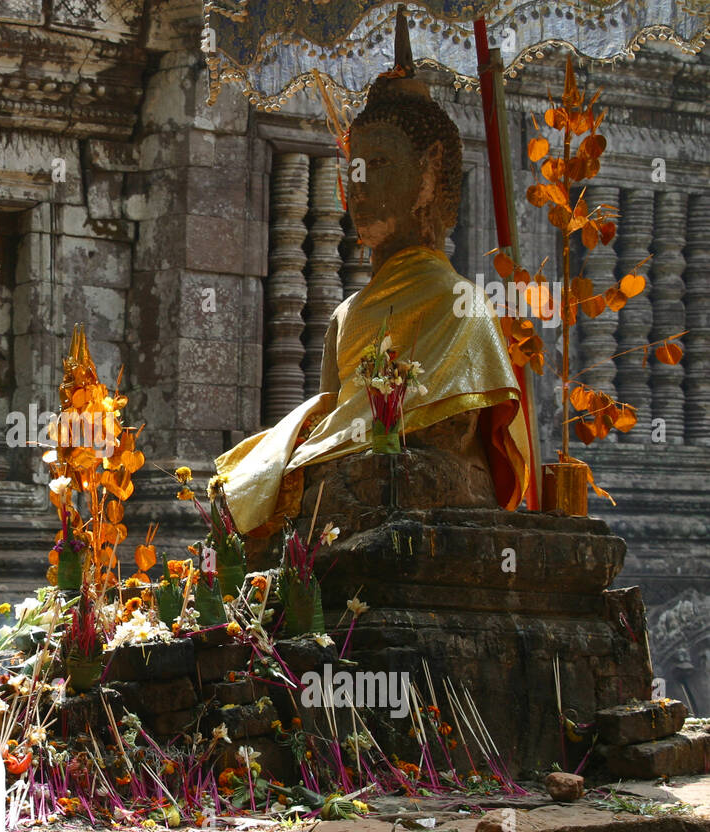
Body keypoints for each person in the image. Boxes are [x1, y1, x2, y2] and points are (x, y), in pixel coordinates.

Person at [214, 45, 531, 543]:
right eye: (353, 168)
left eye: (378, 164)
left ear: (429, 173)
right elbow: (331, 408)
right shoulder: (347, 313)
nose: (357, 187)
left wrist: (357, 450)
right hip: (351, 469)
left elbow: (449, 440)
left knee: (381, 479)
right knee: (235, 484)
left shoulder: (460, 301)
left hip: (414, 480)